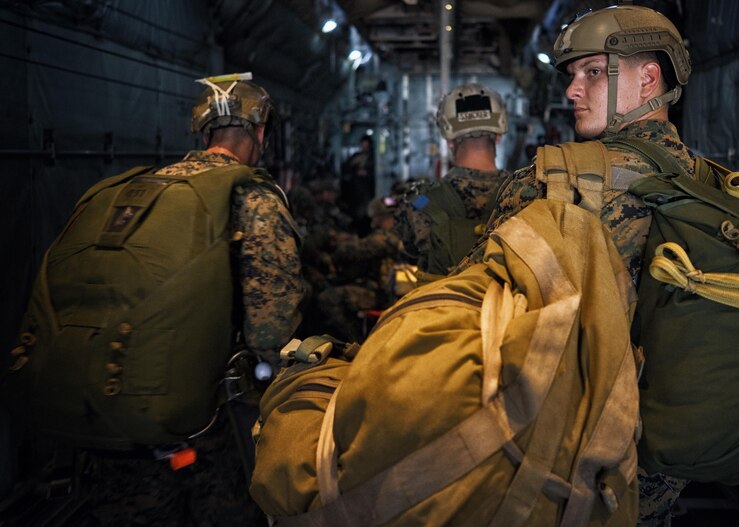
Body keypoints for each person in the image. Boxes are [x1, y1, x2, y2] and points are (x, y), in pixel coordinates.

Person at [457, 4, 695, 527]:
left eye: (592, 72)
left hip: (563, 466)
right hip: (664, 472)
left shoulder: (548, 182)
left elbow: (468, 315)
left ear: (649, 77)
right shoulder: (719, 188)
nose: (572, 91)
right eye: (572, 76)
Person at [78, 73, 307, 526]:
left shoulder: (145, 190)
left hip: (115, 406)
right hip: (208, 423)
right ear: (260, 132)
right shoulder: (253, 197)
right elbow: (271, 331)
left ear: (203, 134)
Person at [394, 83, 511, 276]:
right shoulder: (526, 195)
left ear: (449, 140)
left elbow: (409, 252)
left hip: (443, 305)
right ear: (498, 136)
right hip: (509, 305)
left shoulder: (420, 201)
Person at [316, 195, 403, 342]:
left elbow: (356, 250)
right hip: (387, 289)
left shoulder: (387, 237)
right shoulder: (397, 232)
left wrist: (336, 246)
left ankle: (355, 343)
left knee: (328, 299)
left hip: (385, 295)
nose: (372, 222)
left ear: (381, 217)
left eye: (375, 217)